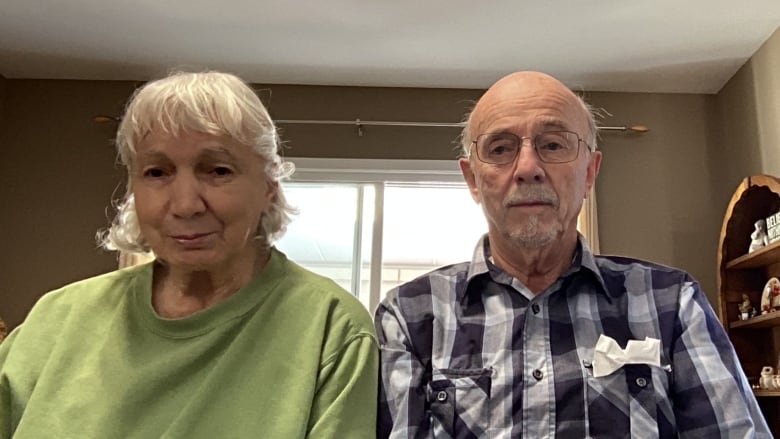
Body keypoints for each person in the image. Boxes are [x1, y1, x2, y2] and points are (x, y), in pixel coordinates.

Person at [375, 71, 770, 438]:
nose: (528, 167)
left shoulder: (674, 303)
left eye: (552, 145)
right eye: (500, 148)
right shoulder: (409, 318)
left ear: (589, 172)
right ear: (472, 180)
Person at [0, 71, 378, 438]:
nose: (185, 205)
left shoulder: (332, 330)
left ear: (268, 187)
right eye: (156, 172)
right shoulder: (57, 318)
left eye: (217, 170)